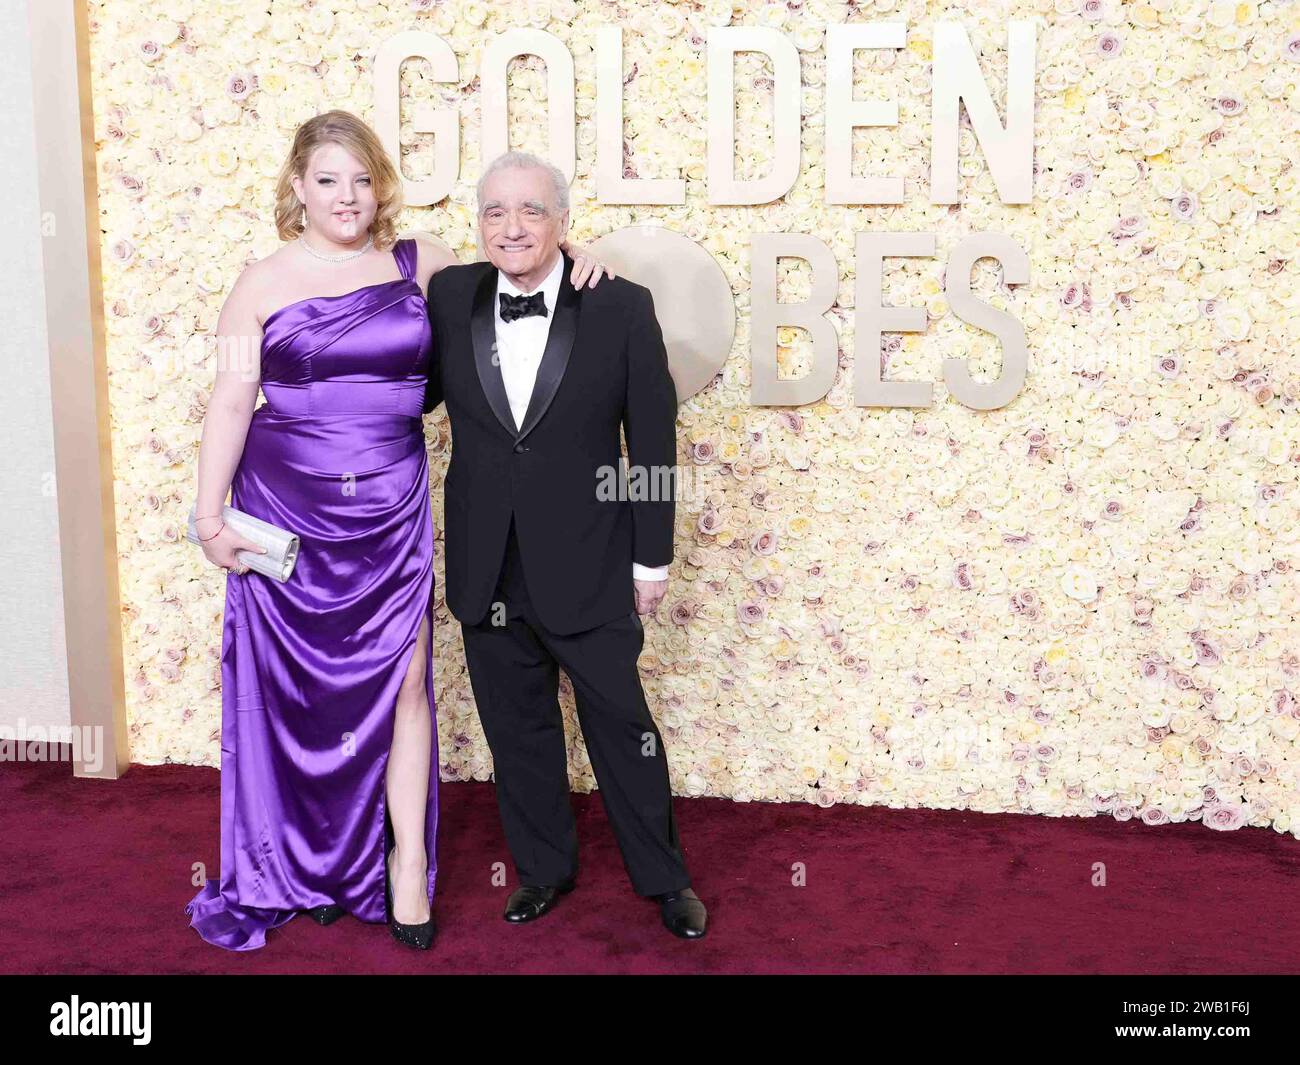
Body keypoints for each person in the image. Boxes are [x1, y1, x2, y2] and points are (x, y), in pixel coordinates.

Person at [186, 111, 612, 951]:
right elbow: (233, 400)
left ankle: (406, 869)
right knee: (297, 694)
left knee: (404, 684)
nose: (347, 197)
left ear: (379, 184)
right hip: (287, 511)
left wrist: (578, 260)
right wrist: (209, 519)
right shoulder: (259, 281)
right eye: (326, 181)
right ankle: (291, 864)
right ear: (297, 189)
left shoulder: (423, 265)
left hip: (391, 506)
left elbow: (516, 289)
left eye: (360, 179)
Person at [422, 150, 708, 939]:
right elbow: (400, 373)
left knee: (623, 727)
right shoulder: (450, 296)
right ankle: (545, 869)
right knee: (517, 733)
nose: (512, 228)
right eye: (495, 212)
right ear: (477, 223)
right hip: (488, 562)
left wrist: (652, 557)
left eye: (533, 211)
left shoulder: (620, 307)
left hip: (589, 558)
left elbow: (651, 441)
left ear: (564, 222)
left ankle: (665, 878)